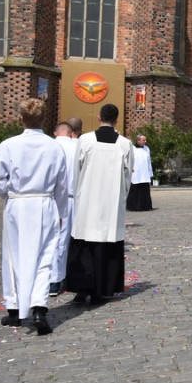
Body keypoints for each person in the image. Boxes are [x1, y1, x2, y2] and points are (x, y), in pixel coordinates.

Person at [0, 98, 70, 334]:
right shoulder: (54, 147)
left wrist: (8, 195)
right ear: (45, 119)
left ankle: (14, 309)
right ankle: (38, 308)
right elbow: (62, 185)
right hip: (45, 203)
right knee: (45, 257)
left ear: (21, 118)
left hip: (18, 203)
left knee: (14, 255)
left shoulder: (9, 145)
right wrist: (62, 212)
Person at [65, 103, 134, 305]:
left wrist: (79, 194)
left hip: (87, 199)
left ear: (98, 117)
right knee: (107, 243)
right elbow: (127, 177)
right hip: (111, 204)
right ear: (117, 120)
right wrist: (121, 199)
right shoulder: (124, 144)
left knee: (85, 244)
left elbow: (76, 171)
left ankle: (81, 288)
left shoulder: (85, 140)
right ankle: (103, 289)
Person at [50, 121, 79, 297]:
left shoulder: (49, 146)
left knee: (53, 240)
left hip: (49, 197)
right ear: (71, 133)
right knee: (71, 239)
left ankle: (53, 279)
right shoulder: (78, 146)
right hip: (73, 197)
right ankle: (68, 276)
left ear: (55, 132)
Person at [126, 134, 153, 211]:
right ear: (138, 140)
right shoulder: (132, 149)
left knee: (145, 188)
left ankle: (145, 206)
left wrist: (150, 171)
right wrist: (130, 168)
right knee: (135, 188)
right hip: (136, 172)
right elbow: (128, 159)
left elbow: (149, 161)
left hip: (144, 172)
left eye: (145, 140)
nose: (145, 141)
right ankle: (133, 206)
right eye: (143, 140)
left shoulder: (147, 149)